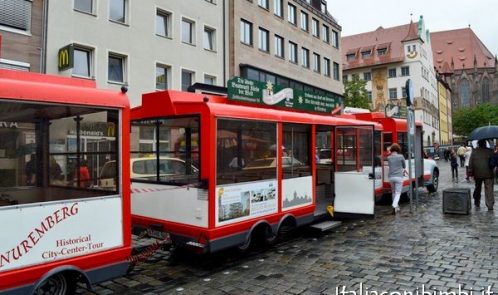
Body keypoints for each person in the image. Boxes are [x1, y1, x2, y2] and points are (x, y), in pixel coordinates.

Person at [468, 140, 494, 210]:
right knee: (489, 190)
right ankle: (490, 205)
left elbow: (470, 163)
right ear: (485, 144)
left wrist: (470, 172)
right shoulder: (490, 151)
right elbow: (493, 162)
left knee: (478, 188)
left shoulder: (474, 151)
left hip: (477, 173)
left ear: (478, 144)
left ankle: (477, 202)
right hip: (489, 173)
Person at [387, 143, 406, 215]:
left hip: (391, 177)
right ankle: (394, 205)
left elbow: (390, 165)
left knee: (393, 192)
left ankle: (396, 207)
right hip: (399, 177)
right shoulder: (401, 156)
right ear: (398, 149)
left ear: (391, 150)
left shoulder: (389, 157)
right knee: (398, 193)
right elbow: (404, 166)